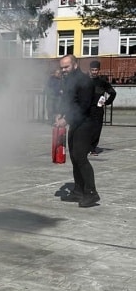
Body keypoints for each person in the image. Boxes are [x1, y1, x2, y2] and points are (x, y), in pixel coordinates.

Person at [54, 55, 99, 208]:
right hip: (75, 124)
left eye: (66, 67)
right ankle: (78, 191)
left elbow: (84, 105)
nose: (63, 70)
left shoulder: (85, 81)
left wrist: (65, 120)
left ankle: (91, 193)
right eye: (61, 67)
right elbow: (68, 100)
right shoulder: (68, 81)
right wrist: (60, 113)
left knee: (80, 157)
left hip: (86, 124)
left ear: (74, 65)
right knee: (74, 157)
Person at [87, 61, 116, 155]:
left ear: (99, 70)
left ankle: (92, 148)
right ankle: (85, 146)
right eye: (92, 70)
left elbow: (113, 92)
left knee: (96, 129)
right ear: (90, 70)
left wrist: (107, 102)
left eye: (96, 70)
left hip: (98, 109)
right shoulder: (85, 81)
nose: (94, 72)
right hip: (86, 108)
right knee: (86, 128)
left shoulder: (102, 82)